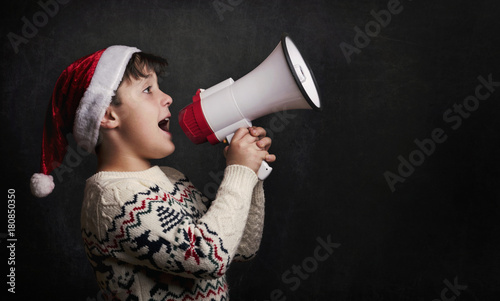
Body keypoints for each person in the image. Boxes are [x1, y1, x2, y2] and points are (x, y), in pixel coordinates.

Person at [30, 46, 276, 300]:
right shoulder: (110, 199)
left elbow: (241, 247)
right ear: (108, 115)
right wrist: (239, 170)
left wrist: (252, 175)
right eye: (148, 89)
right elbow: (210, 257)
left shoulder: (172, 177)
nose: (167, 97)